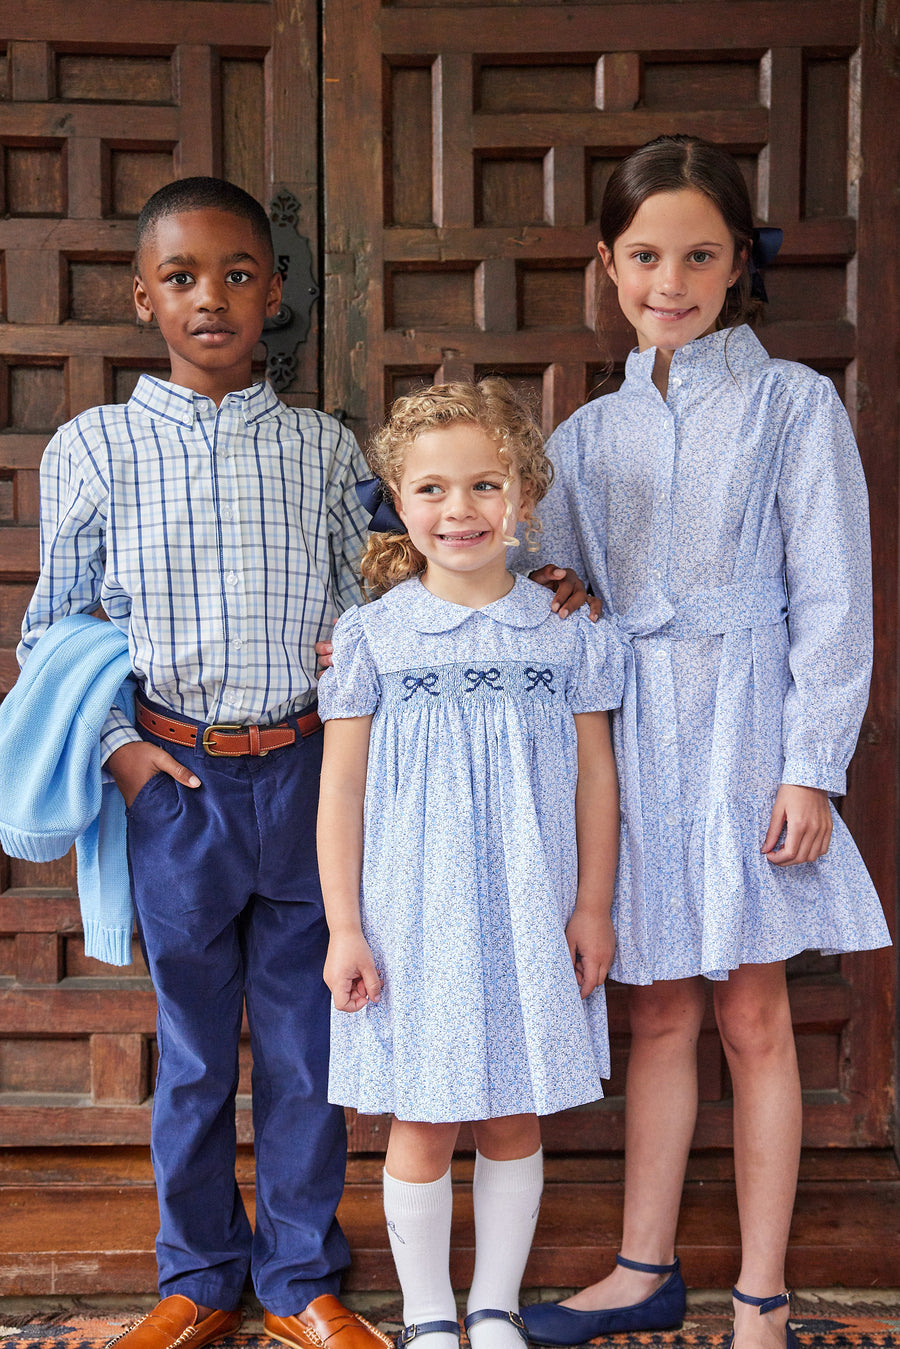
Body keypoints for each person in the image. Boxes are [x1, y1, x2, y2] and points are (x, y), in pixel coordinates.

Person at [517, 135, 891, 1349]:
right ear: (606, 265)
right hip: (633, 741)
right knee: (660, 1014)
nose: (667, 279)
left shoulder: (794, 403)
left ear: (741, 265)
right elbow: (546, 586)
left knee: (755, 1016)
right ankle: (642, 1265)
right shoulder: (584, 435)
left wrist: (809, 764)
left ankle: (763, 1292)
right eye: (642, 255)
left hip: (748, 728)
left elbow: (835, 591)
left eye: (698, 254)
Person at [18, 176, 391, 1349]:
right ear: (143, 297)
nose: (212, 297)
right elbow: (52, 629)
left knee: (301, 1041)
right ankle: (195, 1278)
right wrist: (124, 754)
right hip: (173, 781)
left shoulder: (327, 449)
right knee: (189, 1052)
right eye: (181, 278)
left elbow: (383, 589)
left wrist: (522, 577)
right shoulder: (95, 448)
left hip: (304, 777)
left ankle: (298, 1279)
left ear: (274, 293)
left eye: (237, 273)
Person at [315, 380, 623, 1349]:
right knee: (424, 1114)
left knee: (513, 1111)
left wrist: (594, 907)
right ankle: (430, 1313)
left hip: (532, 905)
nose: (461, 510)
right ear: (400, 502)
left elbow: (594, 780)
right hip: (413, 914)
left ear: (525, 496)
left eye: (486, 485)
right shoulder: (373, 635)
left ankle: (494, 1303)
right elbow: (342, 791)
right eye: (435, 489)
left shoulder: (567, 629)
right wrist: (347, 926)